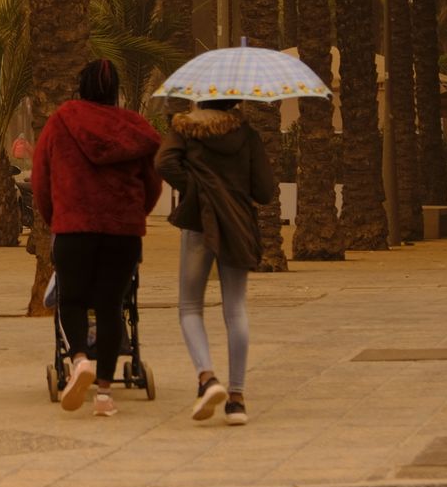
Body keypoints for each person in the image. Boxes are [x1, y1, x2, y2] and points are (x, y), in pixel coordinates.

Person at [32, 60, 163, 416]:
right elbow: (152, 185)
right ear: (114, 90)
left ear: (83, 88)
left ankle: (78, 360)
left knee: (71, 300)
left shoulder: (62, 121)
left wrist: (55, 218)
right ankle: (104, 394)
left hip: (74, 228)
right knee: (110, 305)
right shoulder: (135, 128)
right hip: (123, 232)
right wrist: (135, 215)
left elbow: (41, 179)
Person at [156, 99, 276, 427]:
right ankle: (236, 400)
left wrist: (196, 189)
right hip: (237, 224)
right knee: (235, 309)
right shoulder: (246, 134)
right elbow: (265, 191)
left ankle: (207, 379)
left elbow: (164, 162)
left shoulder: (184, 129)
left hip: (199, 222)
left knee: (190, 307)